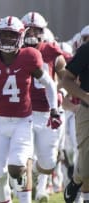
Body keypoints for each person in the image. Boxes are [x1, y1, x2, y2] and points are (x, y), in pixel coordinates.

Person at [0, 16, 60, 203]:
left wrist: (54, 109)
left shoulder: (29, 56)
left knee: (16, 167)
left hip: (22, 120)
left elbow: (49, 84)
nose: (7, 39)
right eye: (3, 35)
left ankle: (23, 190)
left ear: (20, 36)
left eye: (11, 35)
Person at [21, 11, 67, 202]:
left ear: (43, 31)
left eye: (36, 30)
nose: (31, 34)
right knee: (26, 157)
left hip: (48, 112)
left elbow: (66, 77)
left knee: (47, 163)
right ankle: (32, 193)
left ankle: (38, 181)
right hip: (25, 112)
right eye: (28, 30)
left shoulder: (52, 50)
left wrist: (61, 93)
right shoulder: (15, 51)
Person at [62, 30, 89, 203]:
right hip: (87, 109)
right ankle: (77, 179)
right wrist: (85, 96)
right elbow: (66, 80)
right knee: (87, 167)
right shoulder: (86, 50)